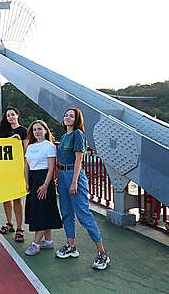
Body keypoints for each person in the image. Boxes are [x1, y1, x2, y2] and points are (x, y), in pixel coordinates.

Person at [56, 107, 110, 270]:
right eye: (66, 115)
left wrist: (73, 182)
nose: (67, 118)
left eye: (71, 116)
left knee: (83, 215)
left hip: (74, 176)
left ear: (77, 119)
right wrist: (60, 178)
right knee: (66, 212)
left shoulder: (78, 134)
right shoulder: (65, 136)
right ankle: (71, 246)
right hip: (63, 173)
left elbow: (79, 160)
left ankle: (102, 253)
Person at [23, 120, 62, 256]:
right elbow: (27, 166)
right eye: (34, 130)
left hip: (44, 179)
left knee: (42, 211)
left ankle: (35, 244)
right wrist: (27, 182)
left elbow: (51, 168)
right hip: (34, 180)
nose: (37, 132)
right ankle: (48, 241)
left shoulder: (49, 146)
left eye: (40, 129)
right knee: (39, 210)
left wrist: (45, 184)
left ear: (45, 130)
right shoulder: (31, 146)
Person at [0, 106, 28, 242]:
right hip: (5, 168)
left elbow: (26, 151)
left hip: (18, 169)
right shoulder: (2, 131)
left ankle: (20, 228)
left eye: (12, 114)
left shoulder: (24, 131)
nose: (10, 117)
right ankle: (10, 223)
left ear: (17, 115)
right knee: (6, 197)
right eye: (8, 115)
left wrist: (18, 141)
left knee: (17, 198)